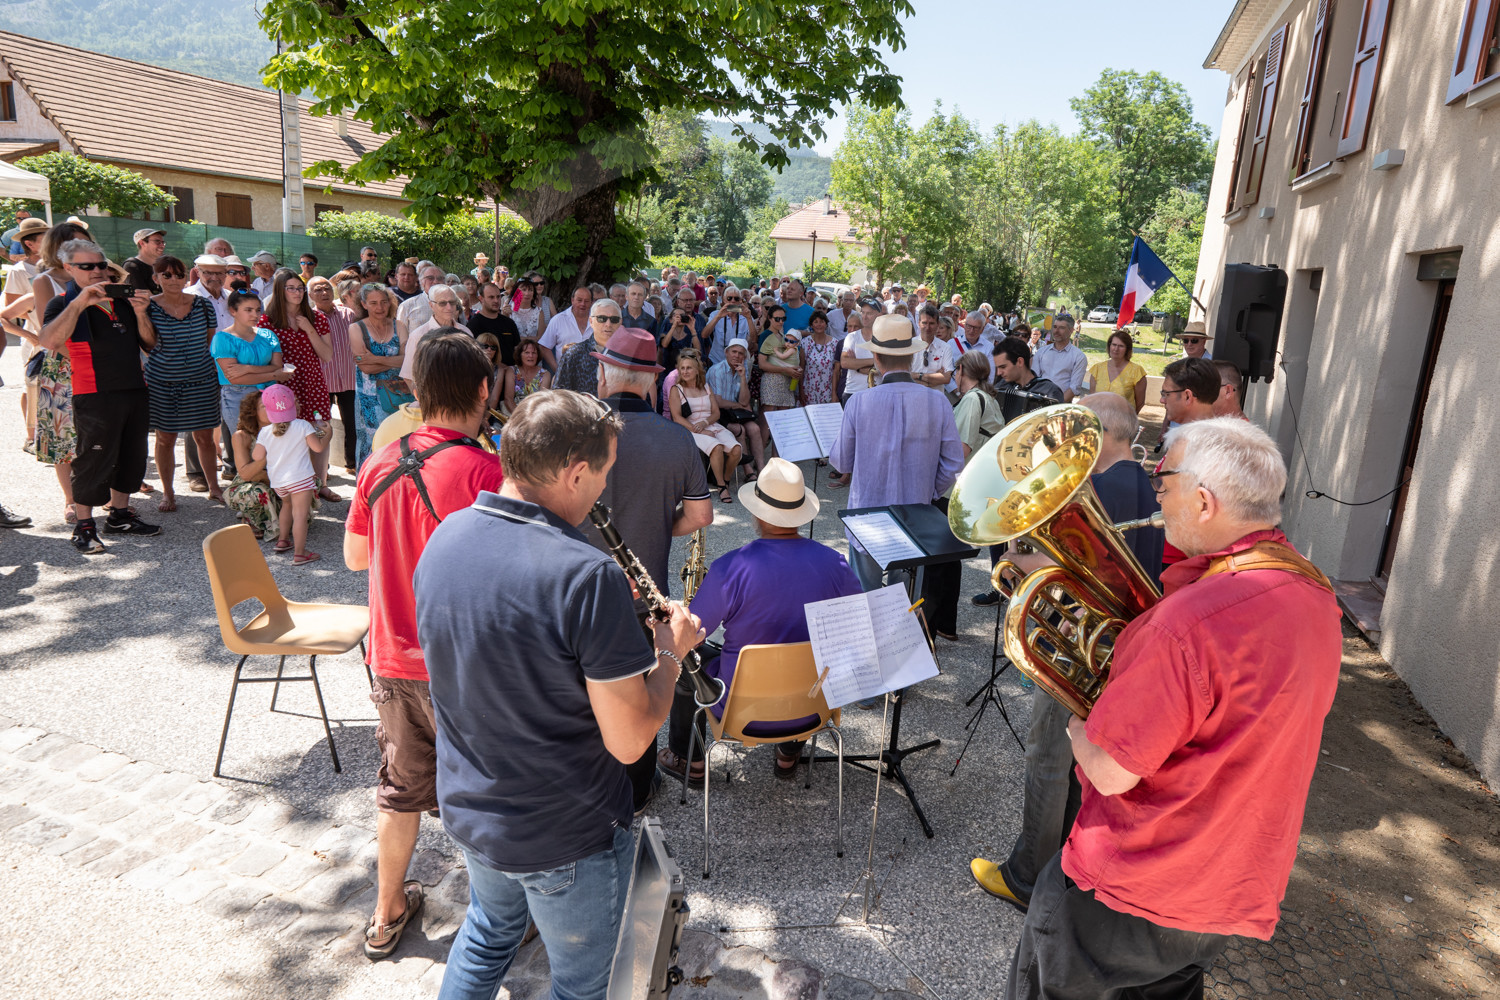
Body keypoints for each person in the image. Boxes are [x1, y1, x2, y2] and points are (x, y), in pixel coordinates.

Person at [1003, 417, 1341, 1000]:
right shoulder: (1314, 593)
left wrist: (1080, 717)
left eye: (1164, 485)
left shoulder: (1187, 624)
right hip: (1224, 886)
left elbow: (1110, 770)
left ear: (1204, 501)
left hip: (1134, 880)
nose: (1157, 498)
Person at [413, 390, 702, 1000]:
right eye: (603, 473)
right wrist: (669, 652)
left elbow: (506, 652)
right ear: (575, 472)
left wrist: (609, 635)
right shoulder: (585, 575)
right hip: (563, 831)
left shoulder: (447, 536)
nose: (603, 489)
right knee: (581, 986)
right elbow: (628, 743)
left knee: (488, 933)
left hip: (475, 808)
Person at [343, 331, 504, 961]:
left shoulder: (379, 462)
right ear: (484, 391)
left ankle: (385, 913)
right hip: (462, 662)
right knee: (486, 789)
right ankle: (495, 916)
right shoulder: (486, 470)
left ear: (415, 392)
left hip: (391, 656)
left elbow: (357, 554)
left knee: (399, 787)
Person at [971, 392, 1164, 913]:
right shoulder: (1145, 483)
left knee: (1048, 756)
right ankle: (1072, 866)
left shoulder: (1097, 488)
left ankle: (1027, 875)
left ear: (1095, 434)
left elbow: (1052, 568)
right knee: (1081, 759)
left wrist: (1016, 554)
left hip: (1080, 646)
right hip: (1119, 643)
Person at [660, 458, 863, 783]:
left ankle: (689, 761)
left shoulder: (731, 567)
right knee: (806, 656)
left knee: (687, 662)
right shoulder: (835, 563)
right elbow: (859, 626)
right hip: (814, 704)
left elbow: (691, 635)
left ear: (757, 513)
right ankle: (788, 754)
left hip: (739, 711)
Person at [580, 327, 714, 811]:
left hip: (573, 589)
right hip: (642, 591)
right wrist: (659, 521)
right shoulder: (678, 440)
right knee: (636, 692)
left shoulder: (575, 431)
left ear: (602, 373)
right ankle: (635, 793)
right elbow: (700, 516)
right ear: (652, 383)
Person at [39, 239, 161, 553]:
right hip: (93, 392)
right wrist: (81, 302)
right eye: (87, 266)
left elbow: (149, 344)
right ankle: (84, 526)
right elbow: (50, 340)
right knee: (93, 459)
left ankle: (120, 515)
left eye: (101, 264)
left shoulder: (122, 299)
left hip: (134, 387)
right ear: (68, 268)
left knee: (132, 456)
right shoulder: (63, 302)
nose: (97, 271)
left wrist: (142, 313)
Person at [829, 314, 964, 591]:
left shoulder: (859, 401)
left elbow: (842, 460)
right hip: (916, 513)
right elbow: (953, 463)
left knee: (866, 597)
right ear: (912, 358)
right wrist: (928, 491)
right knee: (905, 600)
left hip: (866, 514)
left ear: (876, 358)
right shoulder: (938, 402)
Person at [145, 256, 223, 510]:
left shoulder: (202, 305)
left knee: (205, 437)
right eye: (165, 275)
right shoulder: (147, 307)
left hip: (202, 379)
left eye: (178, 275)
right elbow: (146, 344)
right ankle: (168, 493)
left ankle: (214, 487)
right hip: (162, 382)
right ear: (155, 279)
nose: (173, 280)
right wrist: (138, 313)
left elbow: (211, 343)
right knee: (165, 439)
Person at [259, 270, 340, 502]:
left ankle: (320, 483)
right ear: (280, 291)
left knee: (320, 428)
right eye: (291, 288)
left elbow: (326, 355)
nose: (297, 292)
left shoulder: (317, 318)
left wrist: (308, 329)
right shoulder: (268, 321)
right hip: (284, 386)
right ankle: (286, 487)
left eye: (300, 288)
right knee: (285, 433)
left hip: (313, 383)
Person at [255, 384, 328, 564]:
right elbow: (317, 447)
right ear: (293, 404)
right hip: (300, 479)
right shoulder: (302, 425)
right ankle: (300, 552)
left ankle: (283, 540)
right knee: (301, 515)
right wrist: (327, 433)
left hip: (279, 481)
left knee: (286, 507)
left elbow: (257, 456)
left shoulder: (265, 432)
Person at [348, 283, 411, 469]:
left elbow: (407, 361)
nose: (380, 307)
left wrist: (375, 358)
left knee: (397, 442)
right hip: (369, 400)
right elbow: (365, 367)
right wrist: (393, 360)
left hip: (397, 395)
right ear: (364, 304)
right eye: (373, 303)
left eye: (384, 302)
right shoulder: (356, 328)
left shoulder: (398, 325)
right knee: (373, 443)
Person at [670, 350, 742, 503]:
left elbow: (716, 413)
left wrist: (706, 423)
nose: (685, 371)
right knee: (716, 447)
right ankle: (722, 487)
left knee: (737, 449)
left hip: (710, 424)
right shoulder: (676, 389)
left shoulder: (706, 387)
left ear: (697, 370)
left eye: (689, 368)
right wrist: (700, 429)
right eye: (682, 368)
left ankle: (725, 480)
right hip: (690, 428)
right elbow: (677, 417)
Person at [309, 276, 360, 475]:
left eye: (327, 289)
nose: (323, 293)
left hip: (349, 378)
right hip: (322, 380)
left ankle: (352, 463)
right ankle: (322, 467)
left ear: (334, 292)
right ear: (310, 295)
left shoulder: (348, 314)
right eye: (318, 290)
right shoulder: (309, 318)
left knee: (353, 424)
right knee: (321, 424)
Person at [706, 338, 764, 477]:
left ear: (744, 357)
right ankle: (748, 471)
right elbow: (718, 402)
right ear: (726, 353)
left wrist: (743, 378)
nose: (736, 356)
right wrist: (739, 405)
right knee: (740, 430)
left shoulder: (743, 370)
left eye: (740, 353)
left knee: (755, 429)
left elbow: (745, 400)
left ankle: (762, 470)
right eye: (734, 352)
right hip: (717, 412)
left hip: (735, 412)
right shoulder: (717, 371)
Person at [225, 391, 278, 539]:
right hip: (253, 483)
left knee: (311, 482)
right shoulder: (241, 436)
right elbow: (246, 474)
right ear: (253, 411)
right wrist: (266, 452)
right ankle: (252, 518)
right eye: (264, 406)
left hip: (279, 481)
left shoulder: (286, 432)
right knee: (256, 492)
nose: (270, 409)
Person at [400, 284, 471, 381]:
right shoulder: (418, 336)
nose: (449, 307)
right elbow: (409, 376)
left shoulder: (466, 332)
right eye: (442, 303)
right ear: (431, 305)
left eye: (452, 302)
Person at [554, 298, 622, 394]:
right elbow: (559, 395)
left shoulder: (629, 356)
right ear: (591, 321)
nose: (608, 324)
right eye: (601, 319)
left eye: (614, 319)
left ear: (620, 322)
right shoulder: (574, 354)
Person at [1087, 329, 1148, 412]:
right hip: (1100, 420)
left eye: (1121, 346)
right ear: (1109, 346)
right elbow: (1092, 399)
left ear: (1127, 349)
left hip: (1124, 422)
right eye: (1114, 344)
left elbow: (1140, 403)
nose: (1116, 349)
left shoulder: (1137, 372)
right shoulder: (1097, 369)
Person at [1031, 314, 1088, 402]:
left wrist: (1054, 406)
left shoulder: (1079, 357)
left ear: (1071, 330)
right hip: (1037, 402)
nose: (1056, 331)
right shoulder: (1041, 352)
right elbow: (1034, 379)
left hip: (1061, 406)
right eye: (1055, 327)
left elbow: (1074, 388)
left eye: (1061, 328)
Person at [756, 305, 801, 412]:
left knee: (783, 418)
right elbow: (762, 364)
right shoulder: (765, 335)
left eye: (783, 319)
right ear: (769, 318)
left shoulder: (783, 335)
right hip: (771, 380)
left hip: (786, 381)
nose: (781, 321)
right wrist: (785, 369)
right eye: (777, 319)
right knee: (768, 419)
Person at [538, 285, 593, 369]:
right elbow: (545, 347)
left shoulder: (598, 321)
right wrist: (557, 370)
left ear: (591, 303)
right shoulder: (558, 320)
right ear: (572, 300)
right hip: (566, 374)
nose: (583, 304)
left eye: (586, 301)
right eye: (579, 300)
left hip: (592, 375)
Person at [467, 282, 521, 365]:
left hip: (511, 373)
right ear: (481, 299)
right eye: (491, 297)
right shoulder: (473, 325)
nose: (496, 300)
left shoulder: (509, 323)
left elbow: (517, 349)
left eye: (498, 297)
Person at [798, 309, 841, 406]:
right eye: (815, 322)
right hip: (809, 390)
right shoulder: (805, 343)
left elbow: (836, 371)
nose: (819, 324)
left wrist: (834, 393)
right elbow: (801, 368)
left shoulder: (835, 343)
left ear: (826, 324)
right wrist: (801, 391)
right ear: (811, 325)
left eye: (822, 321)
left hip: (828, 391)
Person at [703, 286, 751, 364]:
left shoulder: (746, 316)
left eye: (736, 299)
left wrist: (749, 318)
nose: (733, 301)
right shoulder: (715, 314)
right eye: (729, 298)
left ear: (740, 301)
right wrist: (718, 316)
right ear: (724, 300)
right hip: (717, 360)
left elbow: (754, 339)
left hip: (738, 362)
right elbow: (704, 335)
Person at [504, 338, 551, 411]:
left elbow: (543, 401)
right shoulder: (512, 371)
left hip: (536, 413)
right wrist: (519, 417)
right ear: (520, 355)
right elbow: (508, 399)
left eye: (534, 353)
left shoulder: (545, 374)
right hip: (514, 412)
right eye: (527, 352)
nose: (531, 356)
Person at [396, 264, 446, 331]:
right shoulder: (406, 306)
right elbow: (401, 336)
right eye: (430, 278)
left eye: (440, 278)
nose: (436, 282)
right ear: (421, 281)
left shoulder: (453, 303)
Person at [657, 304, 704, 377]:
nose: (679, 318)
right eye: (676, 316)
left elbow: (698, 350)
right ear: (670, 320)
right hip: (667, 373)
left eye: (682, 315)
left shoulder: (690, 335)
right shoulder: (666, 334)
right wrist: (673, 326)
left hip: (685, 374)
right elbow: (664, 344)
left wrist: (692, 329)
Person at [123, 227, 167, 293]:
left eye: (163, 242)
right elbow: (144, 297)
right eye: (157, 242)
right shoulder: (132, 266)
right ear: (142, 243)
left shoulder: (163, 265)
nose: (162, 246)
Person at [509, 277, 544, 341]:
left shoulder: (539, 312)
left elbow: (541, 339)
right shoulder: (509, 310)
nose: (527, 293)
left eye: (530, 290)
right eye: (524, 289)